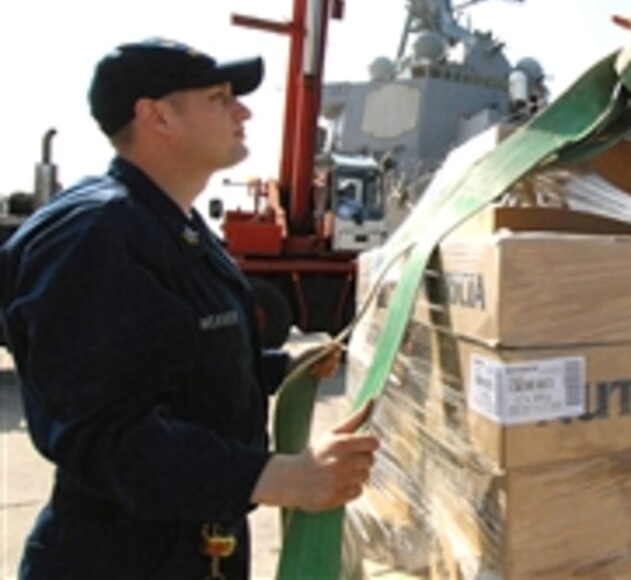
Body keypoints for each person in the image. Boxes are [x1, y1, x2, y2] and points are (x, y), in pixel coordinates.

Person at [0, 38, 380, 578]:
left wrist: (279, 369)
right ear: (157, 116)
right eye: (219, 98)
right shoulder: (100, 234)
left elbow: (175, 361)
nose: (243, 110)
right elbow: (105, 433)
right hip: (120, 559)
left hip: (189, 546)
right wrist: (278, 476)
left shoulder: (170, 225)